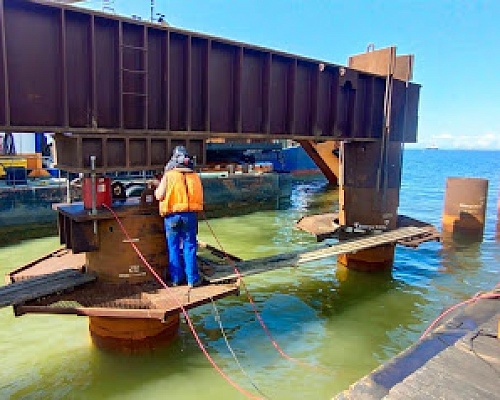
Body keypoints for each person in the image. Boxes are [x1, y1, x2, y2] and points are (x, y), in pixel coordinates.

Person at [154, 146, 204, 288]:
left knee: (173, 247)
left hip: (172, 216)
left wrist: (156, 186)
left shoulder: (169, 175)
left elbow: (159, 195)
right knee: (190, 246)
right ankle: (192, 280)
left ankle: (176, 279)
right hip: (190, 215)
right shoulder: (195, 176)